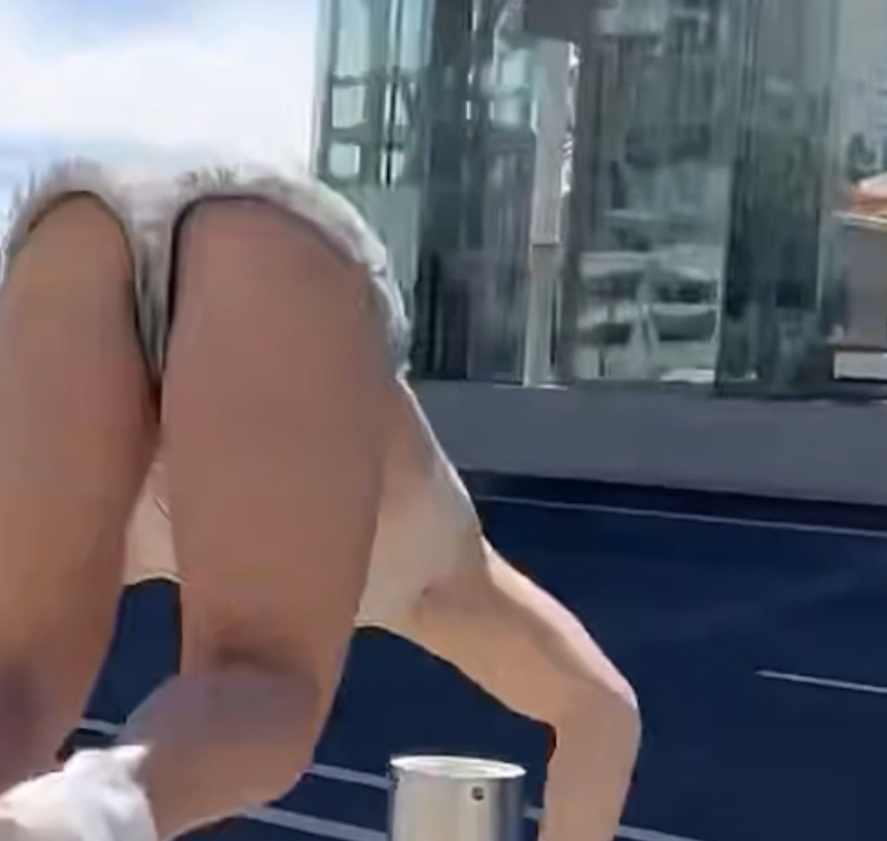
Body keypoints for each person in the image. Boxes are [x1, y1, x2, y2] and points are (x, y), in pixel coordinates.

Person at [0, 160, 639, 841]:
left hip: (78, 227)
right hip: (265, 240)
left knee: (20, 681)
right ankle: (90, 811)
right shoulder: (438, 578)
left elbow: (603, 715)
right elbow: (602, 712)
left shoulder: (427, 566)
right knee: (259, 676)